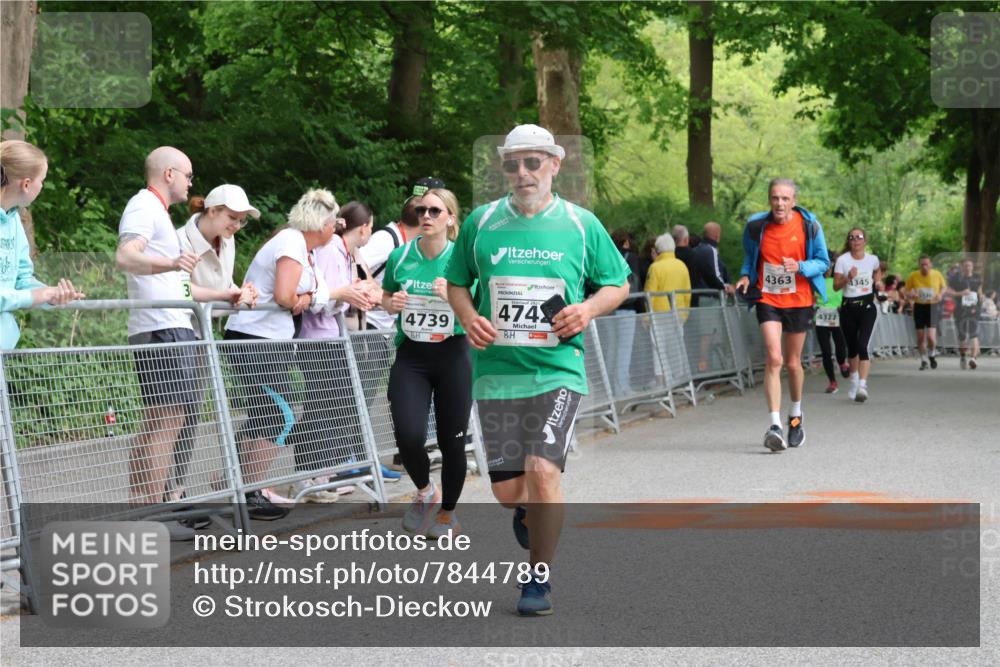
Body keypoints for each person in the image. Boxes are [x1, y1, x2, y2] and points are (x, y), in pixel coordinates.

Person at [445, 124, 630, 616]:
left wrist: (587, 310)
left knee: (543, 469)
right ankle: (530, 511)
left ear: (554, 164)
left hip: (557, 368)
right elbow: (457, 283)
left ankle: (537, 577)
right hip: (496, 371)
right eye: (513, 164)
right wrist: (467, 316)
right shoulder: (482, 223)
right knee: (508, 494)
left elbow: (617, 284)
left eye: (532, 162)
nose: (522, 173)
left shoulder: (580, 223)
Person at [223, 189, 341, 520]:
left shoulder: (301, 246)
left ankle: (233, 486)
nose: (337, 228)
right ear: (322, 223)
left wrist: (307, 296)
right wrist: (303, 299)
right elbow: (285, 295)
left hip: (267, 340)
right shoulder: (291, 243)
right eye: (335, 222)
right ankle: (249, 491)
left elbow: (309, 292)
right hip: (254, 338)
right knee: (281, 413)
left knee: (264, 415)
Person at [116, 146, 204, 540]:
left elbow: (169, 277)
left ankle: (144, 511)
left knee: (160, 422)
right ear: (169, 174)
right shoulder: (144, 207)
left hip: (166, 325)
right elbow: (125, 257)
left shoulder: (157, 213)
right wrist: (171, 263)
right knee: (165, 424)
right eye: (188, 174)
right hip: (162, 328)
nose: (191, 182)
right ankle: (153, 515)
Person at [382, 188, 473, 538]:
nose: (426, 217)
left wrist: (453, 295)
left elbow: (481, 307)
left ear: (450, 217)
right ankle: (424, 491)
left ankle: (447, 514)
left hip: (453, 353)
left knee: (453, 442)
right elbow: (387, 295)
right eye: (421, 210)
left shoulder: (462, 259)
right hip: (413, 356)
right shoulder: (401, 256)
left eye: (435, 211)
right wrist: (391, 303)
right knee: (408, 434)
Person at [168, 184, 259, 504]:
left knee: (191, 415)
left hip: (203, 333)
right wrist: (228, 295)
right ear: (212, 210)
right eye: (232, 217)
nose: (236, 225)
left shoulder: (228, 241)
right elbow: (180, 289)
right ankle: (167, 494)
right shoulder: (179, 239)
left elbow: (223, 286)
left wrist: (241, 293)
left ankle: (177, 489)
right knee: (173, 416)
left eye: (242, 220)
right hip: (175, 331)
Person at [287, 200, 380, 503]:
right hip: (318, 339)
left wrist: (350, 295)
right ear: (364, 228)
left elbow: (332, 295)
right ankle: (309, 474)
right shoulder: (331, 251)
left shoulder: (341, 251)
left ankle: (321, 474)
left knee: (332, 408)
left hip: (331, 337)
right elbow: (321, 296)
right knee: (322, 408)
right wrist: (347, 295)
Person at [735, 178, 829, 451]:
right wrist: (744, 275)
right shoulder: (755, 226)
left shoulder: (810, 226)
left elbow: (824, 262)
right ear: (769, 200)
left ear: (794, 201)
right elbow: (749, 258)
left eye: (785, 199)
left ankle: (796, 415)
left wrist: (799, 266)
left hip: (799, 299)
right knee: (774, 358)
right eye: (775, 198)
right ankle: (775, 424)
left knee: (792, 363)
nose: (779, 203)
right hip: (767, 297)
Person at [1, 140, 84, 350]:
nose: (42, 187)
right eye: (42, 180)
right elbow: (24, 295)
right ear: (26, 184)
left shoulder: (13, 220)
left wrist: (50, 294)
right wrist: (32, 297)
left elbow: (22, 280)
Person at [362, 177, 444, 332]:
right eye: (425, 210)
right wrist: (378, 292)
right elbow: (354, 263)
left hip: (388, 328)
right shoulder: (386, 239)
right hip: (370, 326)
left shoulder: (416, 246)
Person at [833, 227, 881, 402]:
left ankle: (862, 385)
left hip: (867, 306)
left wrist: (878, 281)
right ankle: (854, 382)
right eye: (852, 237)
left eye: (859, 237)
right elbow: (836, 286)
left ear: (864, 240)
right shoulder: (842, 261)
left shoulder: (872, 259)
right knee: (852, 349)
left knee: (863, 346)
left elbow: (877, 270)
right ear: (849, 241)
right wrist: (848, 278)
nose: (855, 240)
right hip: (848, 307)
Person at [690, 221, 735, 372]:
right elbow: (715, 274)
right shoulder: (711, 250)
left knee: (708, 335)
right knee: (709, 335)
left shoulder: (697, 250)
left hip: (700, 298)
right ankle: (705, 368)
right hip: (709, 299)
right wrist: (725, 287)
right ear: (717, 235)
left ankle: (712, 369)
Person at [608, 229, 642, 396]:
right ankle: (623, 387)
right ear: (626, 242)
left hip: (608, 308)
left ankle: (611, 387)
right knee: (625, 348)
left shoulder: (607, 257)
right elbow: (636, 282)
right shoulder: (631, 257)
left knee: (612, 348)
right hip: (627, 307)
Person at [904, 255, 946, 370]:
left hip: (932, 306)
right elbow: (905, 290)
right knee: (921, 336)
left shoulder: (937, 274)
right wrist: (910, 294)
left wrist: (940, 294)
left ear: (930, 264)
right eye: (922, 264)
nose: (924, 267)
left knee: (931, 338)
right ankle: (923, 360)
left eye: (926, 264)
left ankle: (932, 354)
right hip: (919, 307)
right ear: (919, 265)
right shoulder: (914, 275)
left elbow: (943, 287)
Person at [814, 252, 848, 394]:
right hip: (821, 318)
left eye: (830, 265)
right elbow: (810, 297)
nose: (828, 268)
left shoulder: (839, 280)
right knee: (826, 352)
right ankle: (832, 382)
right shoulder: (815, 281)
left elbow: (847, 295)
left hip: (837, 316)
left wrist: (844, 307)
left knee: (840, 346)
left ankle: (842, 363)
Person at [945, 257, 984, 370]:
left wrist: (980, 297)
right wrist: (960, 293)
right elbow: (948, 292)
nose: (968, 268)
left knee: (974, 333)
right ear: (961, 267)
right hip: (960, 310)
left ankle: (973, 359)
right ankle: (963, 356)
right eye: (965, 266)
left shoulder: (977, 278)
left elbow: (980, 291)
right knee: (962, 336)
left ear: (972, 267)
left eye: (970, 266)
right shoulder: (955, 278)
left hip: (974, 309)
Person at [644, 233, 691, 312]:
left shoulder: (655, 267)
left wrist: (647, 317)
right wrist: (685, 312)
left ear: (657, 249)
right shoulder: (682, 265)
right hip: (680, 313)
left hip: (659, 315)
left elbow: (649, 294)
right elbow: (687, 293)